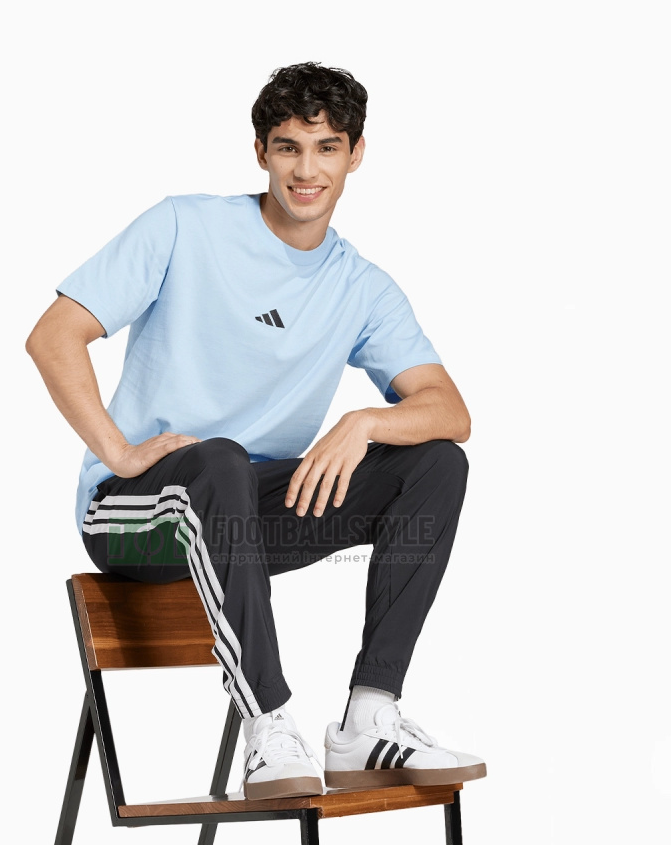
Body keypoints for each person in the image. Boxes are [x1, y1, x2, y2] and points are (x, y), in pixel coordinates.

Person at [25, 61, 485, 800]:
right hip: (135, 515)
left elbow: (449, 412)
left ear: (356, 154)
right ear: (261, 153)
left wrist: (365, 420)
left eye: (327, 148)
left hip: (248, 514)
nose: (307, 170)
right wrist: (119, 451)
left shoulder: (361, 286)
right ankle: (267, 724)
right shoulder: (185, 225)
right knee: (222, 461)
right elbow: (54, 336)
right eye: (288, 148)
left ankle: (369, 715)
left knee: (434, 464)